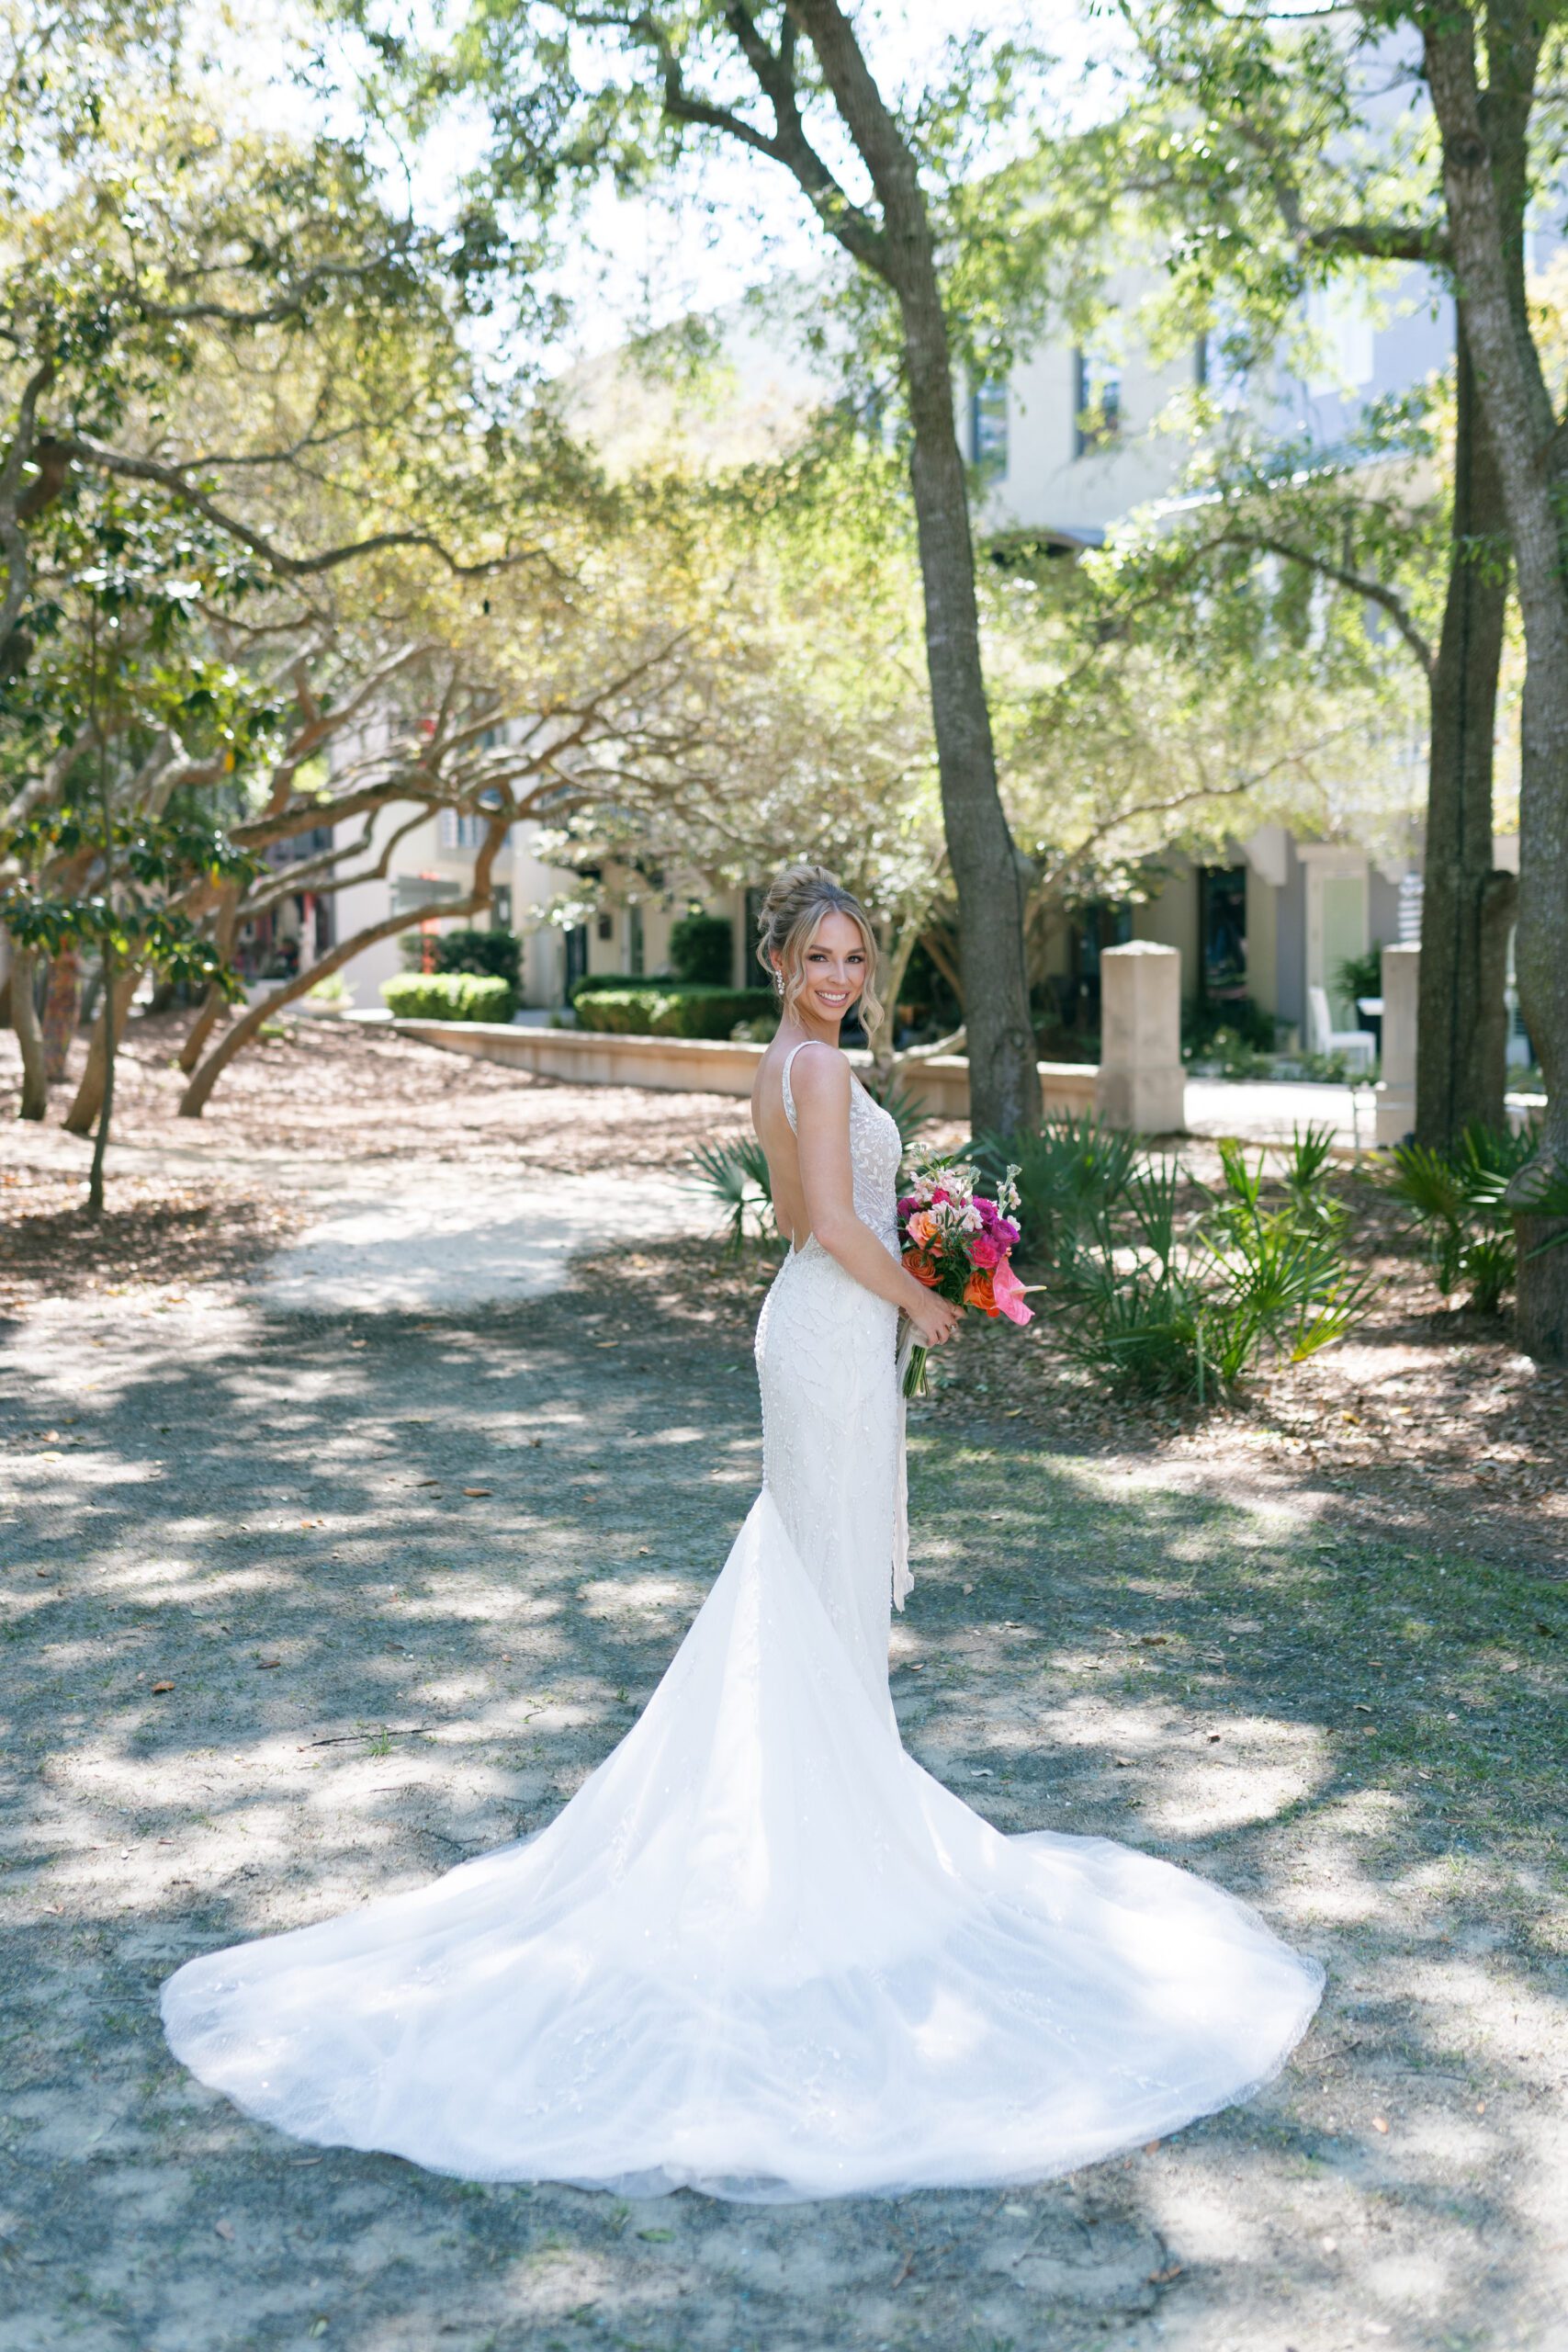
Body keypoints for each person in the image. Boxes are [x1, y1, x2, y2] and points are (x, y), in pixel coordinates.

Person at [161, 863, 1324, 2202]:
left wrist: (914, 1257)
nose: (841, 977)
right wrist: (925, 1295)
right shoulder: (819, 1070)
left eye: (856, 957)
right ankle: (819, 1863)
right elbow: (828, 1225)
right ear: (781, 961)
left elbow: (787, 1219)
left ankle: (815, 1819)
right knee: (819, 1586)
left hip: (817, 1325)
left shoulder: (784, 1066)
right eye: (820, 958)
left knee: (815, 1582)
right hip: (832, 1333)